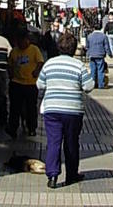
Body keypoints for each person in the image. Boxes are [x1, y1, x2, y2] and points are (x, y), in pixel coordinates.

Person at [36, 32, 94, 189]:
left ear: (58, 47)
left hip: (52, 109)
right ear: (74, 49)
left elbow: (40, 85)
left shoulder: (49, 64)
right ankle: (71, 175)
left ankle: (53, 176)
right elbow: (88, 87)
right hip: (73, 111)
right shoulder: (79, 66)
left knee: (53, 142)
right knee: (71, 143)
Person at [7, 28, 43, 137]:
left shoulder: (34, 49)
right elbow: (10, 65)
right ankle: (12, 128)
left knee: (31, 108)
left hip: (30, 84)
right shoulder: (14, 51)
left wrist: (36, 72)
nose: (21, 44)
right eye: (19, 42)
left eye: (23, 41)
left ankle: (31, 128)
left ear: (27, 40)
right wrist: (11, 75)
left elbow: (40, 62)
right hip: (16, 83)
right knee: (14, 108)